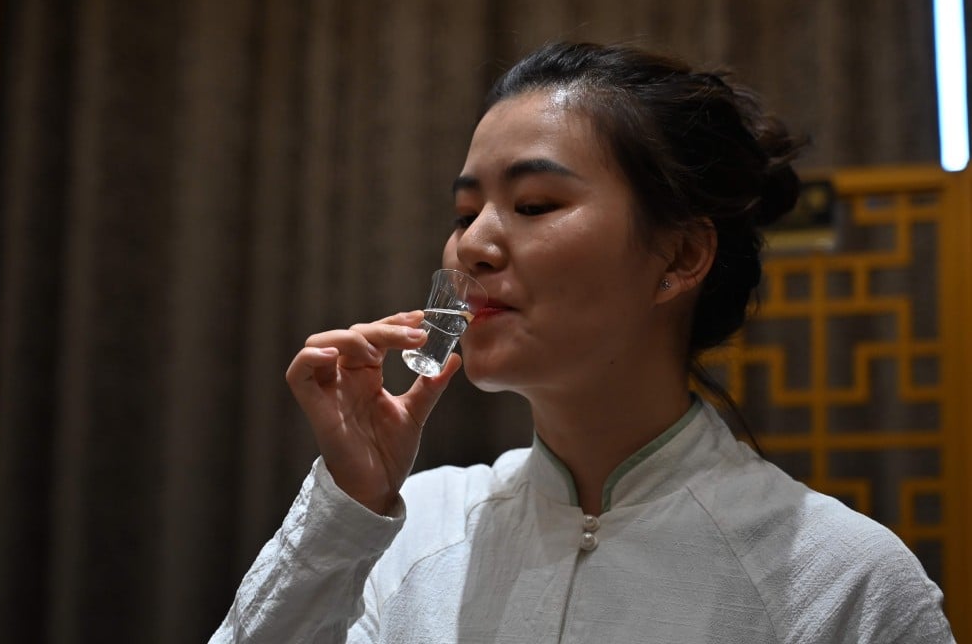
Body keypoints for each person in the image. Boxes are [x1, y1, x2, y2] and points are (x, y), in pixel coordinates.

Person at [209, 42, 955, 643]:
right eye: (466, 213)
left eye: (534, 204)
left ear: (680, 258)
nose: (472, 247)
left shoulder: (841, 582)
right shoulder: (414, 527)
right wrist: (348, 504)